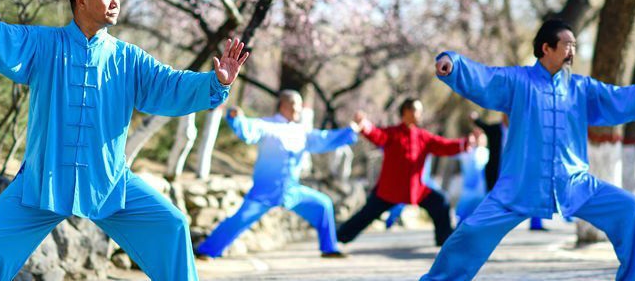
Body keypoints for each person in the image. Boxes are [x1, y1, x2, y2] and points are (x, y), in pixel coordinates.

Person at [0, 0, 249, 281]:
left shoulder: (128, 58)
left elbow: (168, 84)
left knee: (172, 225)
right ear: (81, 0)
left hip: (110, 183)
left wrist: (215, 83)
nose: (115, 2)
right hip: (43, 180)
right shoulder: (42, 44)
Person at [420, 19, 635, 281]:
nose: (573, 52)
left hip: (574, 183)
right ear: (546, 48)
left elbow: (617, 98)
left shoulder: (580, 89)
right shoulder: (517, 82)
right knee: (471, 232)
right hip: (520, 184)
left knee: (633, 208)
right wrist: (452, 63)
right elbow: (484, 78)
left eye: (575, 46)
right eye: (568, 45)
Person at [194, 90, 358, 258]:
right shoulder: (267, 125)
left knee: (323, 205)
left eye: (300, 106)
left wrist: (351, 130)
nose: (299, 109)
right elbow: (249, 129)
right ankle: (206, 250)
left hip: (291, 191)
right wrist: (237, 119)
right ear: (283, 105)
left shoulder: (301, 132)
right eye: (295, 105)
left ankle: (329, 248)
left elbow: (325, 139)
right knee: (238, 220)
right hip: (265, 191)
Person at [337, 99, 472, 246]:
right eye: (417, 110)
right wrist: (365, 126)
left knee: (441, 203)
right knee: (366, 215)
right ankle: (337, 238)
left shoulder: (422, 136)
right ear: (407, 112)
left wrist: (465, 143)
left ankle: (444, 242)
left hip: (416, 189)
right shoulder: (393, 133)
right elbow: (377, 135)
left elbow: (443, 146)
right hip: (389, 190)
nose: (420, 114)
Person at [470, 112, 545, 230]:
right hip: (496, 170)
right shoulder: (495, 129)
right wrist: (475, 119)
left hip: (515, 171)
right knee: (491, 198)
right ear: (503, 117)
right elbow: (483, 125)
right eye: (507, 115)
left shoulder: (518, 131)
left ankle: (536, 223)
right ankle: (486, 223)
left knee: (530, 194)